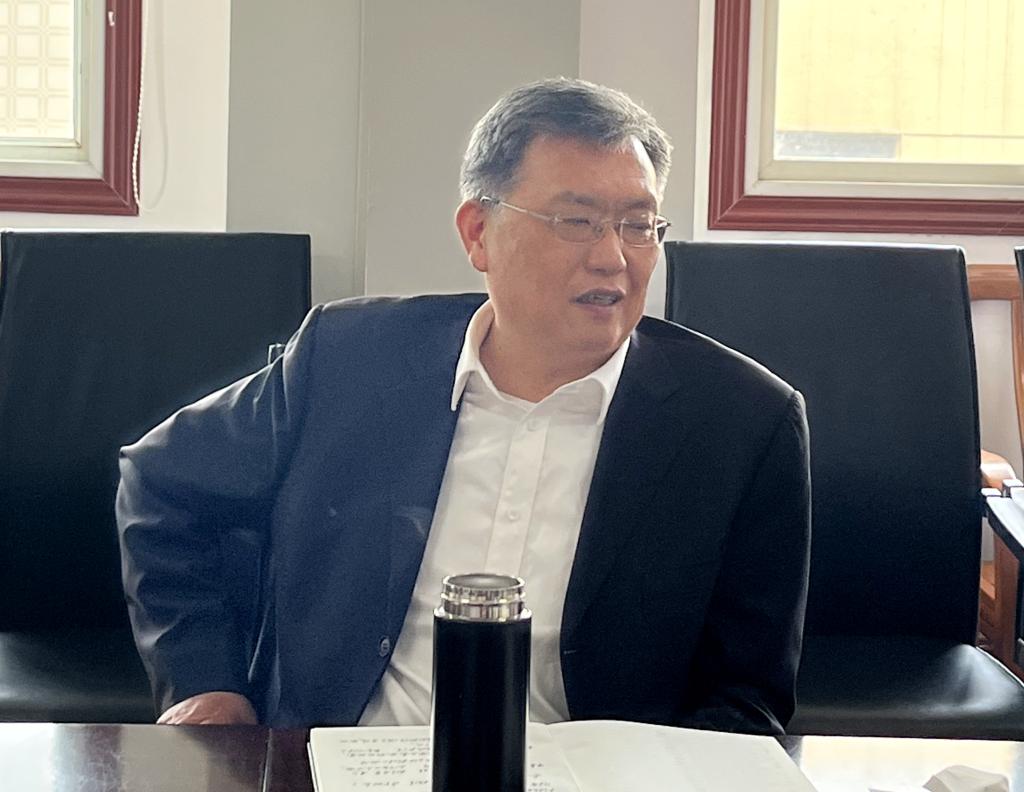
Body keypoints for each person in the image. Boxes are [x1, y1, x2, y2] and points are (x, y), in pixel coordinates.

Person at [117, 77, 811, 734]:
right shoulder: (350, 358)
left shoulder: (741, 423)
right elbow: (161, 482)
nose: (613, 257)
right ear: (478, 232)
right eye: (577, 220)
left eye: (638, 225)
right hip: (336, 760)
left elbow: (744, 700)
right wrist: (205, 682)